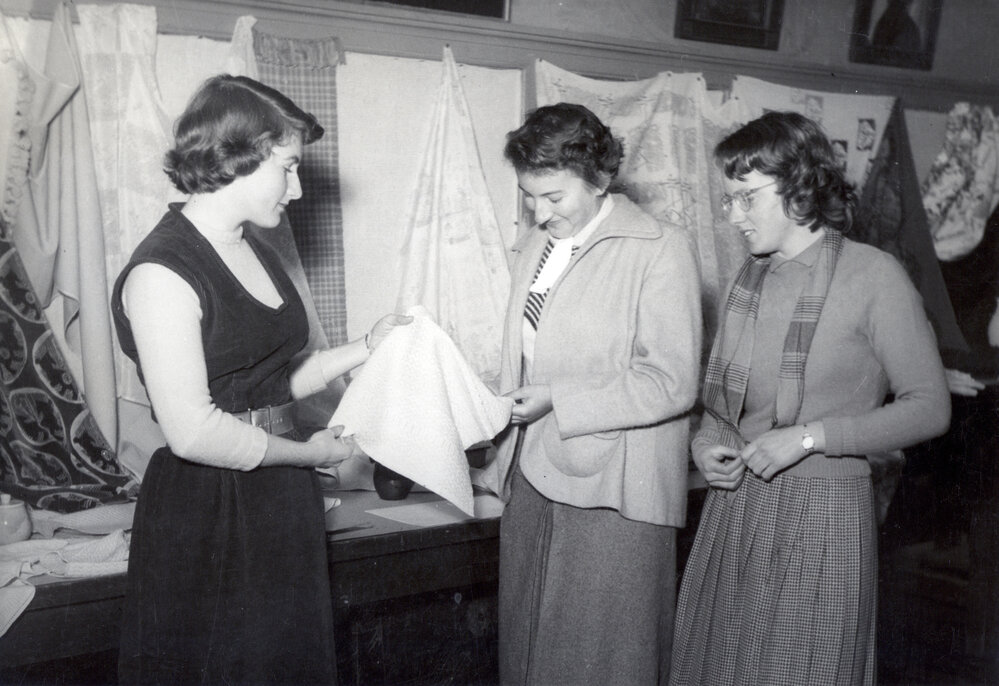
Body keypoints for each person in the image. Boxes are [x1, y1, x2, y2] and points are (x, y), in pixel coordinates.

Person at [111, 75, 410, 685]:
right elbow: (194, 433)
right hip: (207, 508)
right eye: (288, 168)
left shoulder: (253, 248)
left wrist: (363, 348)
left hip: (277, 496)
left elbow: (268, 385)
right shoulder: (162, 272)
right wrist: (310, 453)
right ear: (234, 157)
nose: (297, 190)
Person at [669, 111, 950, 686]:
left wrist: (809, 437)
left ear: (800, 186)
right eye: (728, 201)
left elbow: (930, 407)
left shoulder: (875, 275)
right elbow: (727, 410)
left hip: (823, 514)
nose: (733, 217)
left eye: (746, 198)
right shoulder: (748, 280)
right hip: (736, 507)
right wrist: (706, 442)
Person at [492, 102, 701, 685]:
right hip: (531, 472)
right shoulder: (534, 247)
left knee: (602, 662)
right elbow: (531, 351)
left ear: (601, 178)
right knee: (530, 654)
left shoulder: (661, 246)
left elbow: (672, 379)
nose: (538, 212)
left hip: (617, 483)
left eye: (554, 197)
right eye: (529, 195)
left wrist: (558, 397)